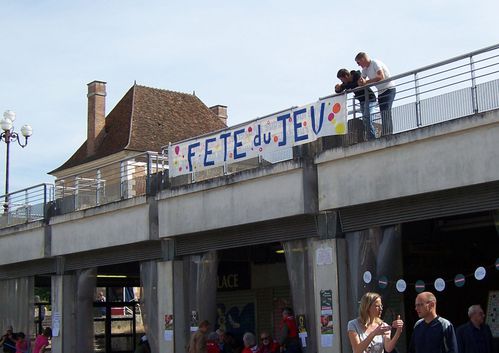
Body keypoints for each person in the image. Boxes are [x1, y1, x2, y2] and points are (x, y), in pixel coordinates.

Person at [355, 52, 397, 136]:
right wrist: (361, 82)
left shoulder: (375, 63)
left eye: (358, 62)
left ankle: (388, 133)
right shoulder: (365, 69)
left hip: (389, 89)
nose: (358, 65)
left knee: (386, 111)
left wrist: (366, 82)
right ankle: (386, 132)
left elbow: (381, 77)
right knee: (383, 112)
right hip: (380, 91)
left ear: (363, 59)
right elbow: (361, 80)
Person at [335, 68, 378, 140]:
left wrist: (346, 86)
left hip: (370, 99)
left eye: (342, 79)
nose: (342, 81)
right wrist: (337, 89)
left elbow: (358, 83)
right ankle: (371, 137)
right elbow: (341, 89)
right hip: (362, 101)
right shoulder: (347, 83)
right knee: (365, 120)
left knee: (367, 118)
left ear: (346, 76)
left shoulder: (357, 75)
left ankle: (372, 138)